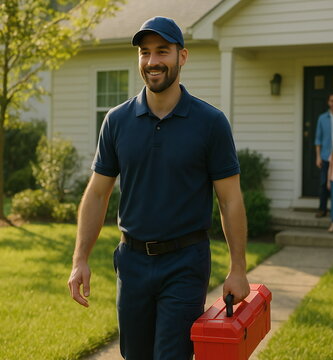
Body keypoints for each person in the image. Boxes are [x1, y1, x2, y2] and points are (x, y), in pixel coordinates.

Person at [67, 16, 250, 360]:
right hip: (132, 262)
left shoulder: (210, 123)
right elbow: (97, 193)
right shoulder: (117, 121)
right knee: (134, 354)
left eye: (162, 51)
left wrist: (237, 268)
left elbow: (230, 200)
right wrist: (80, 259)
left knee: (172, 355)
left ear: (182, 57)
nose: (152, 61)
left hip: (185, 262)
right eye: (145, 53)